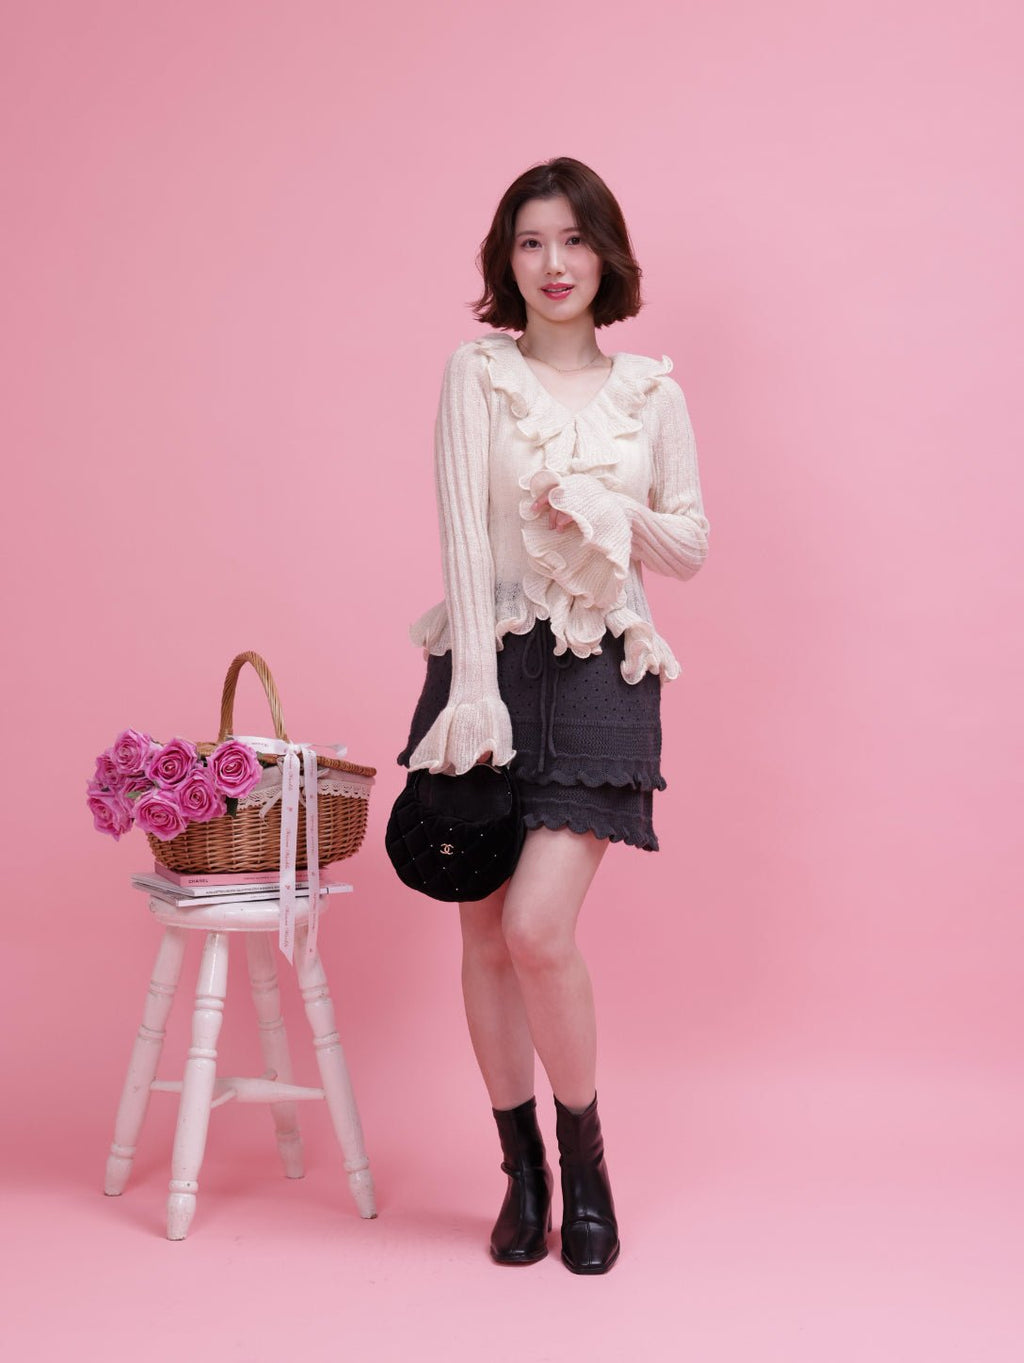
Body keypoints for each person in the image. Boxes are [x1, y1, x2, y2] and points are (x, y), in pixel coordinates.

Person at [396, 156, 709, 1273]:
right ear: (507, 260)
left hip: (601, 673)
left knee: (536, 927)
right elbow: (462, 539)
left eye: (573, 239)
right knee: (483, 934)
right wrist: (473, 690)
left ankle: (587, 1165)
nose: (553, 263)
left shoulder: (651, 396)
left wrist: (610, 505)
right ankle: (520, 1171)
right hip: (484, 667)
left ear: (604, 255)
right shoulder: (476, 376)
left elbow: (689, 545)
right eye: (530, 242)